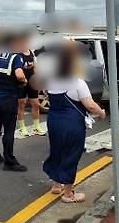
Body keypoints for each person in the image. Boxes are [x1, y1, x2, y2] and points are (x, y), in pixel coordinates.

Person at [42, 42, 106, 203]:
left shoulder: (51, 80)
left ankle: (56, 185)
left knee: (57, 151)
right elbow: (89, 104)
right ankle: (69, 194)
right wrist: (102, 113)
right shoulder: (77, 82)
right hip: (72, 124)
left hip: (54, 121)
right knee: (71, 155)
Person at [0, 33, 28, 172]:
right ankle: (9, 161)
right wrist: (24, 81)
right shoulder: (15, 57)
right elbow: (19, 74)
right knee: (9, 130)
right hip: (8, 98)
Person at [17, 48, 45, 136]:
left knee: (36, 104)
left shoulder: (31, 52)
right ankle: (22, 127)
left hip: (31, 81)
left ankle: (36, 126)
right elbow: (17, 68)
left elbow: (35, 67)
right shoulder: (18, 53)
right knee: (22, 103)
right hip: (21, 82)